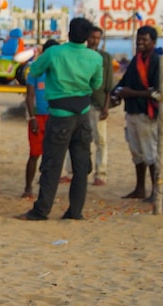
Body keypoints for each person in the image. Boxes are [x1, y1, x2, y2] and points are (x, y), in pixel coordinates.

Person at [16, 18, 103, 221]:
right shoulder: (94, 58)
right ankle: (75, 211)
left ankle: (42, 210)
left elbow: (34, 71)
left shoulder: (55, 53)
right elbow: (97, 83)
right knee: (81, 166)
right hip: (82, 113)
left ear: (69, 33)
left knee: (52, 164)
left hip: (59, 115)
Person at [112, 25, 163, 202]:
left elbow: (158, 91)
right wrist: (116, 94)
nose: (140, 43)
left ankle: (155, 192)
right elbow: (125, 81)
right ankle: (140, 188)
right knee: (136, 152)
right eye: (138, 39)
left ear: (153, 42)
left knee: (150, 153)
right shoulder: (137, 60)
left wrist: (130, 93)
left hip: (147, 112)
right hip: (132, 111)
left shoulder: (157, 61)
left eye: (144, 40)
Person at [22, 39, 59, 198]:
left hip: (55, 115)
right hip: (39, 116)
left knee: (52, 155)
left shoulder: (59, 70)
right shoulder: (35, 70)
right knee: (34, 153)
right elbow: (29, 95)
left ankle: (46, 188)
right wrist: (32, 117)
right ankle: (28, 187)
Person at [87, 26, 116, 186]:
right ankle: (72, 172)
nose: (95, 41)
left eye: (97, 38)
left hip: (98, 104)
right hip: (82, 103)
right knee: (78, 140)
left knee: (101, 141)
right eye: (92, 37)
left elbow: (109, 85)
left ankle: (101, 173)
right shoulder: (81, 55)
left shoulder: (105, 58)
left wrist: (106, 107)